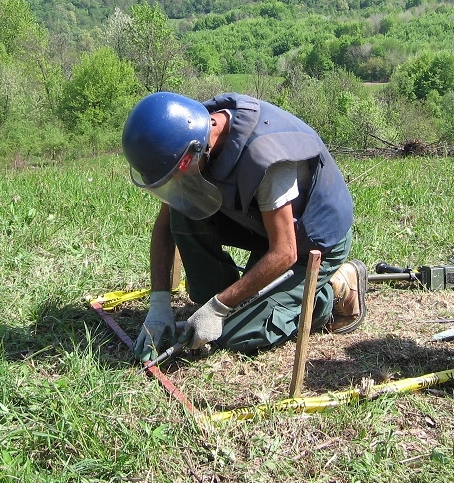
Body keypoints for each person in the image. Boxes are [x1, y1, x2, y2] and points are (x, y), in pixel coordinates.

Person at [122, 91, 367, 362]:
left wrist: (220, 307)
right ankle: (227, 303)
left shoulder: (267, 157)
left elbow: (285, 252)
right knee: (184, 211)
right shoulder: (190, 130)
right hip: (263, 223)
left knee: (237, 334)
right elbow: (166, 226)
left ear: (192, 153)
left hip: (310, 238)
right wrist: (158, 304)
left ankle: (334, 290)